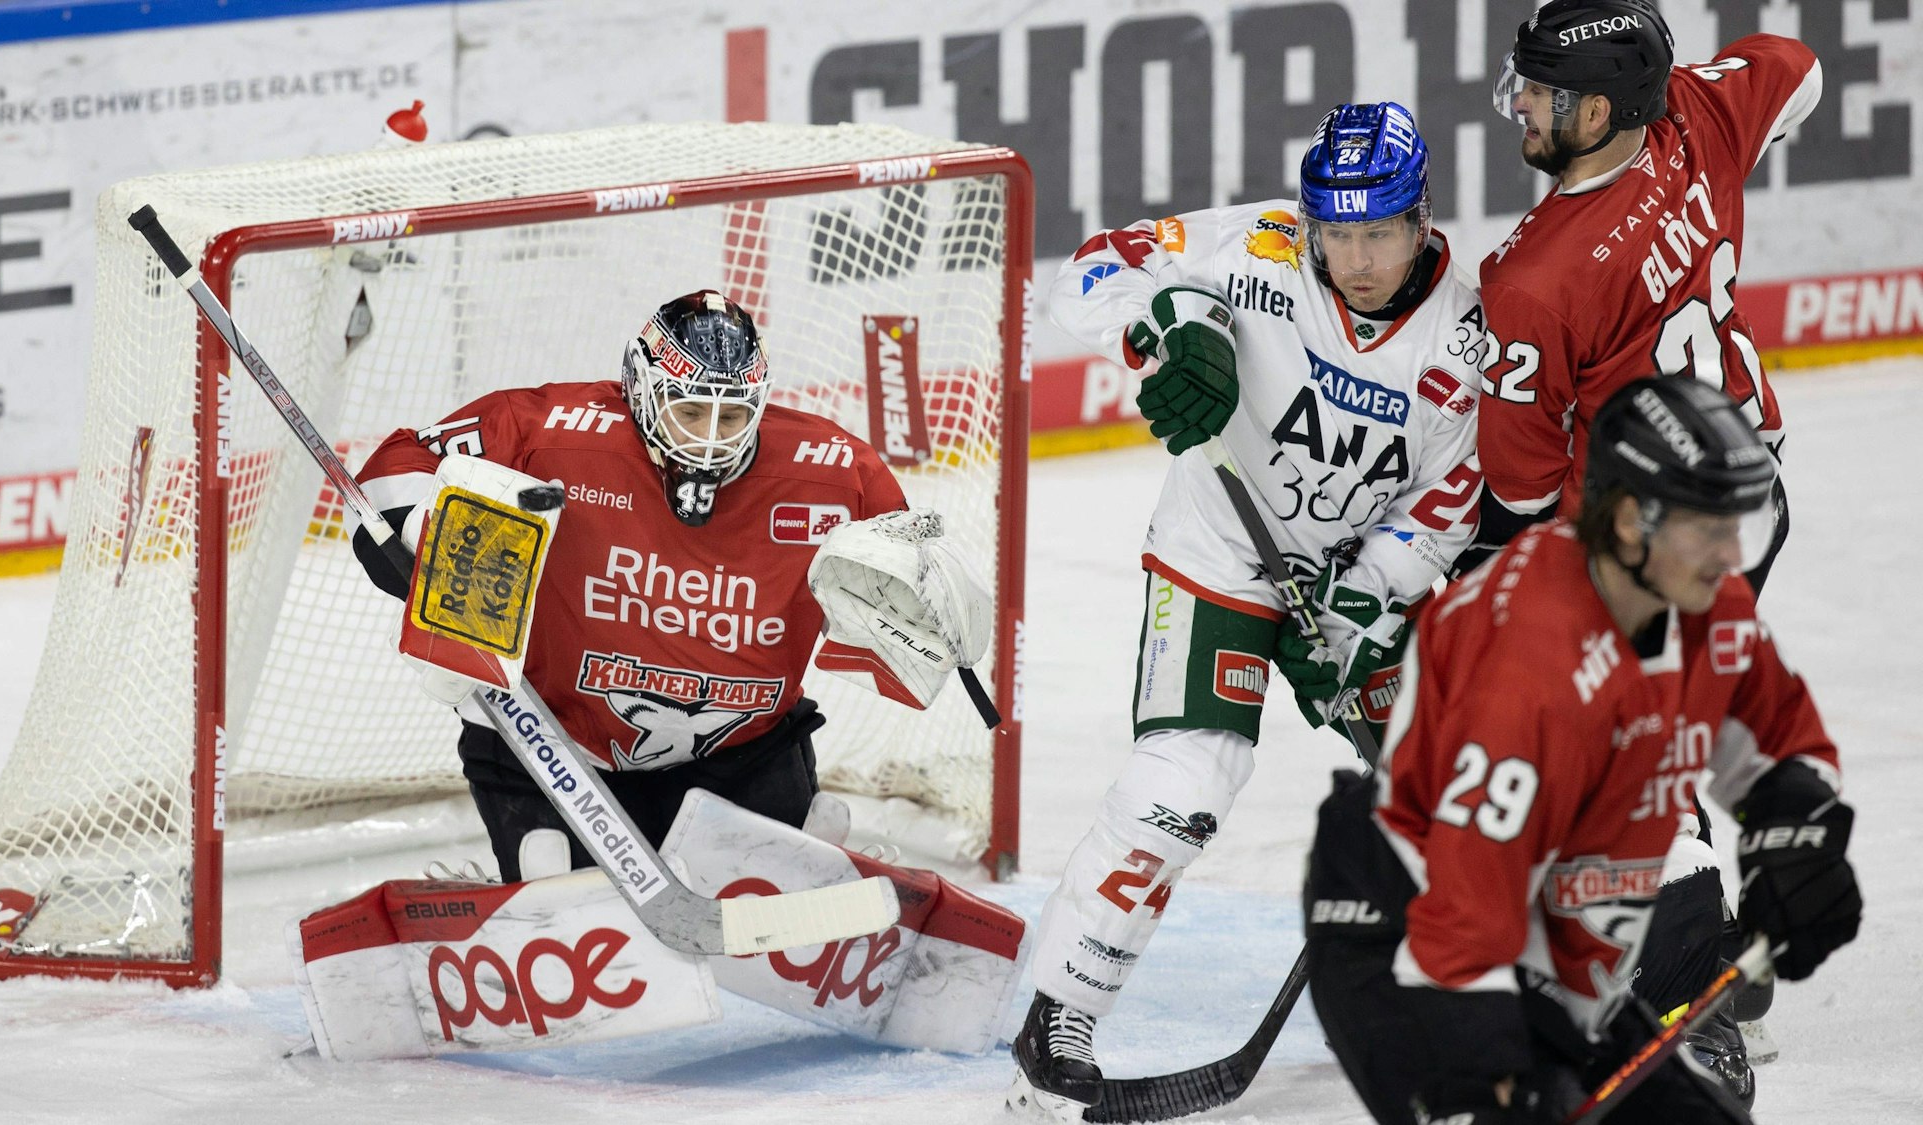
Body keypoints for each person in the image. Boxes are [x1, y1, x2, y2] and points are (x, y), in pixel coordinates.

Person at [1005, 102, 1487, 1121]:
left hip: (1353, 582)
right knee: (1186, 779)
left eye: (1380, 233)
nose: (1354, 259)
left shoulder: (1468, 335)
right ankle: (1059, 1016)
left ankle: (1493, 999)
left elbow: (1441, 507)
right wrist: (1174, 328)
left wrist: (1360, 605)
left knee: (1454, 788)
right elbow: (1085, 271)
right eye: (1336, 234)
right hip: (1217, 558)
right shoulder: (1260, 246)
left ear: (1422, 220)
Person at [1302, 376, 1862, 1125]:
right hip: (1407, 936)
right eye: (1709, 525)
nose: (1733, 553)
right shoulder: (1529, 662)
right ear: (1631, 521)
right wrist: (1493, 1076)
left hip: (1544, 935)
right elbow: (1462, 916)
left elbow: (1780, 739)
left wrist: (1797, 836)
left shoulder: (1700, 601)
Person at [352, 289, 940, 883]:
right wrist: (431, 534)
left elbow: (901, 588)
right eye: (689, 412)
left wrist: (927, 598)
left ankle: (792, 861)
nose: (710, 438)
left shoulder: (837, 471)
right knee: (557, 885)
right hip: (553, 744)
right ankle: (540, 889)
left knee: (769, 889)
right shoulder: (544, 431)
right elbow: (394, 466)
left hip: (740, 752)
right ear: (642, 386)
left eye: (731, 416)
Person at [1470, 0, 1822, 596]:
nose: (1521, 102)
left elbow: (1519, 492)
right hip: (1754, 494)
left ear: (1595, 112)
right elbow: (1800, 68)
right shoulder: (1697, 113)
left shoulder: (1532, 281)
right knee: (1701, 686)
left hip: (1644, 560)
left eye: (1540, 89)